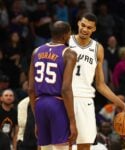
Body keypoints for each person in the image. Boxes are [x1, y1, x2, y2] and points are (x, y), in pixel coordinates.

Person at [68, 12, 125, 150]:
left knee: (85, 145)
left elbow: (100, 84)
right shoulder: (66, 41)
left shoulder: (97, 48)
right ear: (78, 24)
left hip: (86, 100)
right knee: (64, 144)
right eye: (83, 25)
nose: (85, 29)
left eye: (89, 27)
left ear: (93, 29)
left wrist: (122, 105)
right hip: (66, 97)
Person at [28, 21, 77, 150]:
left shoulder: (36, 52)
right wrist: (72, 121)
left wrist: (37, 118)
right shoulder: (69, 53)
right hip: (57, 104)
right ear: (66, 35)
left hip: (39, 104)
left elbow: (31, 89)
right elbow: (66, 89)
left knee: (45, 148)